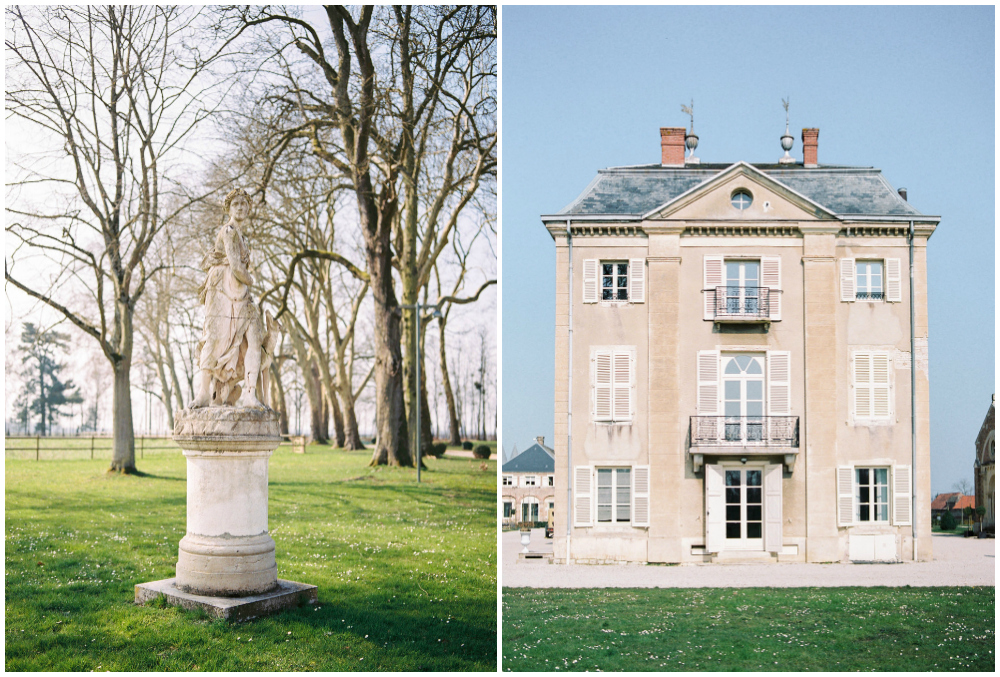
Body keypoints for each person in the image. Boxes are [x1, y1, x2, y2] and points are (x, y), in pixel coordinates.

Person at [190, 188, 269, 409]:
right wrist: (251, 280)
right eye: (236, 204)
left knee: (253, 339)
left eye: (244, 204)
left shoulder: (243, 236)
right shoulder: (229, 230)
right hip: (221, 288)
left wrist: (246, 283)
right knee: (214, 337)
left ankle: (249, 395)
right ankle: (204, 392)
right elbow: (235, 266)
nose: (241, 208)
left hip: (240, 292)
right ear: (228, 209)